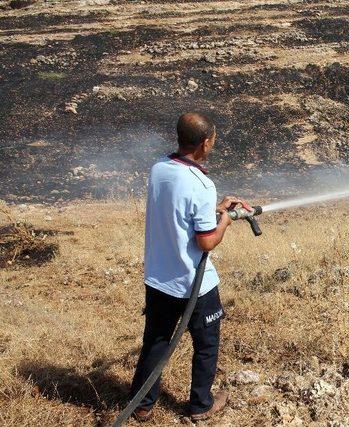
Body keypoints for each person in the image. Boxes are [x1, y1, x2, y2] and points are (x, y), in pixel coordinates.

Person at [129, 112, 242, 422]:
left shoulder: (160, 168)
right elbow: (206, 241)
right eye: (213, 142)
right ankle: (201, 405)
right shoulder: (201, 183)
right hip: (193, 283)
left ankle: (142, 403)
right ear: (205, 143)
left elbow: (178, 212)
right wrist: (226, 221)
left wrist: (214, 209)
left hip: (158, 278)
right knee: (207, 343)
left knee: (156, 340)